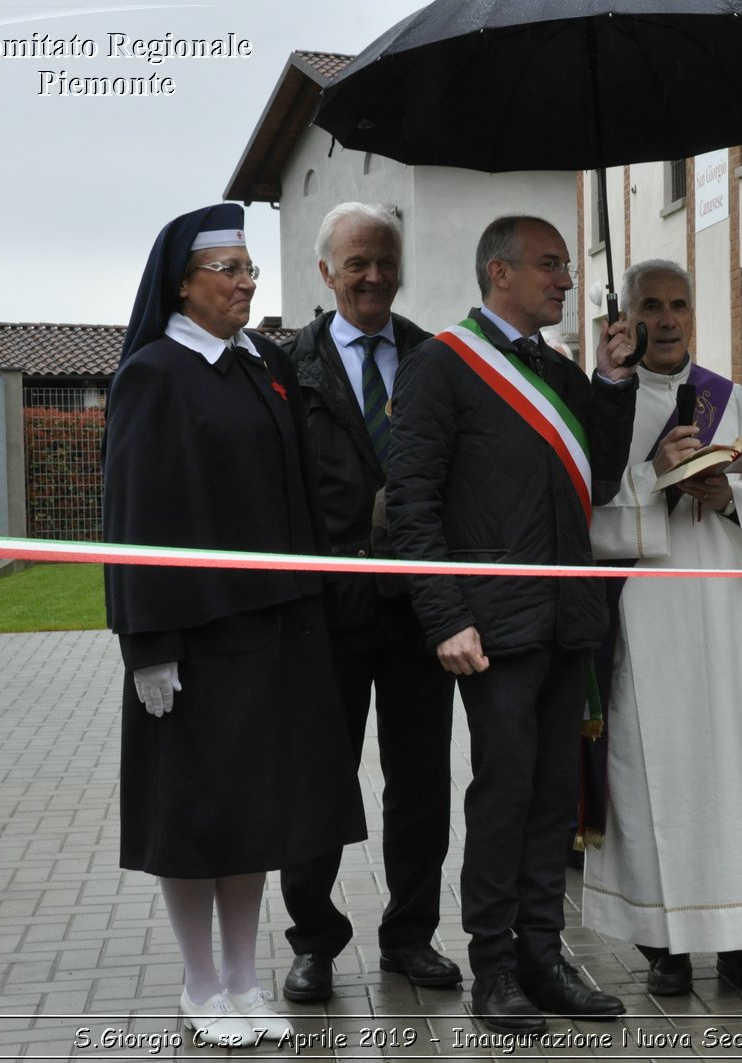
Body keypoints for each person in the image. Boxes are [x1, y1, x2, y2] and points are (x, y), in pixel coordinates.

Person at [103, 203, 367, 1047]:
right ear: (183, 284)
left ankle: (246, 981)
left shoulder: (261, 365)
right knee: (195, 817)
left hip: (274, 634)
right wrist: (147, 642)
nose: (248, 282)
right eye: (230, 270)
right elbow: (135, 516)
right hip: (192, 636)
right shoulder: (154, 373)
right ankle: (200, 982)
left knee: (257, 813)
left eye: (251, 269)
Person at [386, 215, 640, 1034]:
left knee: (551, 796)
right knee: (503, 792)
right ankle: (493, 963)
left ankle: (543, 951)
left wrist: (610, 379)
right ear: (499, 273)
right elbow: (413, 505)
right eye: (548, 266)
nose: (564, 280)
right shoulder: (440, 367)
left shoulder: (558, 368)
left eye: (566, 266)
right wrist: (445, 616)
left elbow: (597, 476)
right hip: (491, 625)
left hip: (568, 617)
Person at [582, 259, 742, 997]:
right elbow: (581, 513)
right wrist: (655, 481)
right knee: (650, 775)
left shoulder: (728, 398)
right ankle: (665, 943)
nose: (668, 319)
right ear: (626, 318)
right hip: (646, 619)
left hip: (725, 613)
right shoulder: (602, 404)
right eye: (653, 305)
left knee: (732, 767)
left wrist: (729, 490)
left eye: (680, 304)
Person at [278, 203, 461, 1004]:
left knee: (420, 780)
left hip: (419, 610)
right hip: (328, 610)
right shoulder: (291, 366)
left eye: (386, 261)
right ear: (327, 273)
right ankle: (313, 939)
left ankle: (410, 936)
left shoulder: (432, 358)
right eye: (358, 263)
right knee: (317, 777)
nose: (375, 277)